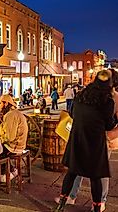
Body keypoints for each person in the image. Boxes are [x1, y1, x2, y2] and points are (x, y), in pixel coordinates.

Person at [55, 69, 118, 212]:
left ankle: (62, 204)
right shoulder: (107, 101)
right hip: (95, 143)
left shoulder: (80, 96)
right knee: (96, 177)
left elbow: (72, 113)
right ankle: (97, 208)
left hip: (77, 139)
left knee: (71, 173)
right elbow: (109, 124)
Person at [0, 94, 28, 182]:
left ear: (6, 103)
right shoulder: (15, 113)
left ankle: (6, 176)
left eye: (0, 103)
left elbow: (9, 137)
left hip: (13, 146)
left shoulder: (10, 115)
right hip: (20, 144)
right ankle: (13, 171)